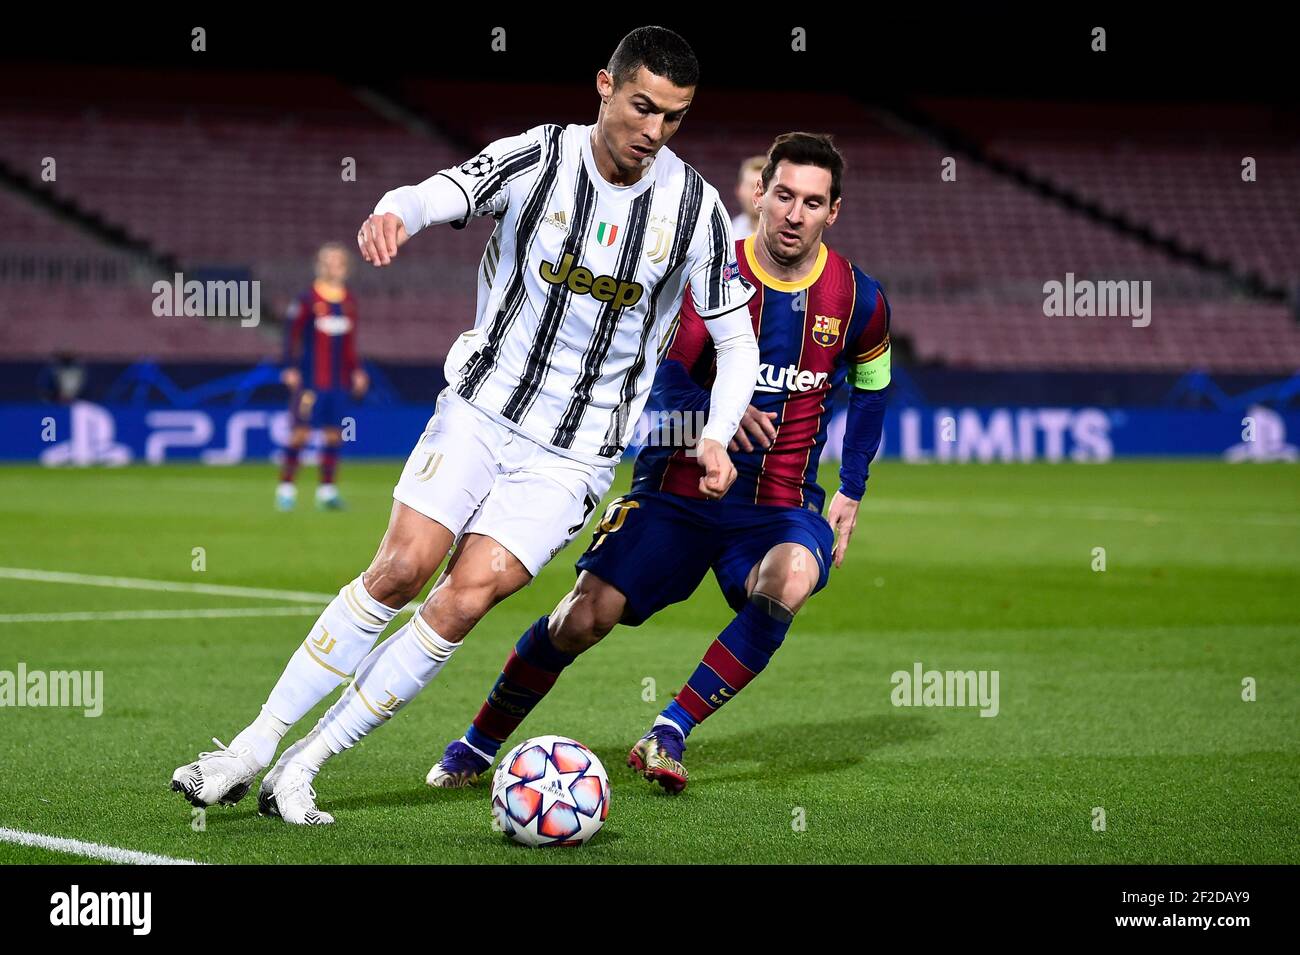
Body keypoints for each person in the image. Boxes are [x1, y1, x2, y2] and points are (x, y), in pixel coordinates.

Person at [171, 25, 759, 825]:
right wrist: (394, 213)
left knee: (467, 595)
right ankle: (251, 746)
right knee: (404, 568)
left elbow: (735, 340)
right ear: (605, 86)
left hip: (577, 454)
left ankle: (304, 766)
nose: (654, 133)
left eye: (675, 118)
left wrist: (718, 433)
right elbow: (439, 190)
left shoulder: (695, 209)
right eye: (643, 107)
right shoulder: (537, 157)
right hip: (482, 410)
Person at [428, 132, 891, 793]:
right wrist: (713, 419)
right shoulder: (710, 273)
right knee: (584, 615)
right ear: (759, 194)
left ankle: (670, 728)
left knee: (789, 577)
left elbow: (873, 385)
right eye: (783, 195)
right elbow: (665, 370)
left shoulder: (859, 299)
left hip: (779, 505)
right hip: (677, 490)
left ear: (833, 211)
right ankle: (477, 742)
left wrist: (852, 486)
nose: (794, 214)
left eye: (813, 202)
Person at [277, 243, 368, 510]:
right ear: (319, 264)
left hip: (338, 382)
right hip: (310, 380)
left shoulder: (349, 301)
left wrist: (357, 371)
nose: (333, 265)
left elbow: (350, 344)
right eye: (328, 260)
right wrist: (289, 367)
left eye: (338, 261)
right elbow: (290, 335)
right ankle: (286, 489)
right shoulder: (307, 299)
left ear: (346, 267)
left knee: (332, 435)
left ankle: (327, 492)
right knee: (301, 434)